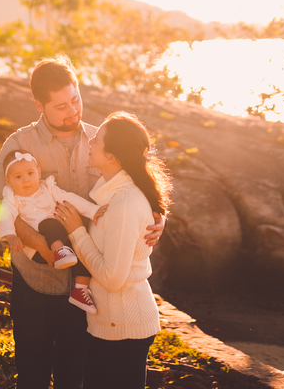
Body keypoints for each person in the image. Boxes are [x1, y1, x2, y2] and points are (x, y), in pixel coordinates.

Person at [0, 56, 165, 389]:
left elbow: (136, 183)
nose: (73, 111)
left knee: (74, 379)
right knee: (33, 378)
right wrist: (40, 245)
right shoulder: (19, 145)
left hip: (87, 291)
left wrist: (158, 215)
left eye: (76, 99)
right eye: (61, 106)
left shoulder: (101, 142)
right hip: (35, 283)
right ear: (39, 105)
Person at [53, 112, 172, 389]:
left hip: (125, 325)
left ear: (112, 157)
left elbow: (112, 277)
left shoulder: (125, 202)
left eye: (98, 138)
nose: (91, 140)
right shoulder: (111, 192)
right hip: (111, 323)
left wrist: (75, 230)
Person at [0, 148, 100, 313]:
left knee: (83, 248)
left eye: (30, 173)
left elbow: (70, 198)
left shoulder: (48, 188)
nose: (26, 180)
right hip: (40, 250)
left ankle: (80, 289)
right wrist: (10, 235)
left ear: (38, 173)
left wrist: (93, 211)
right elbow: (5, 215)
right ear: (8, 181)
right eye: (18, 177)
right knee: (51, 223)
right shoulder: (12, 197)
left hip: (63, 239)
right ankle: (59, 251)